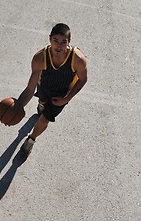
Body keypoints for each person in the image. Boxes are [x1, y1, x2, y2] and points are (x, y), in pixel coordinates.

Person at [18, 23, 88, 156]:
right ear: (50, 39)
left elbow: (83, 80)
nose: (59, 46)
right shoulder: (40, 57)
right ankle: (42, 103)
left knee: (44, 119)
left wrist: (66, 99)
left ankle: (31, 140)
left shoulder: (78, 59)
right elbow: (29, 90)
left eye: (63, 42)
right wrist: (17, 106)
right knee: (42, 103)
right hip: (44, 87)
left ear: (69, 42)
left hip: (61, 96)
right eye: (55, 41)